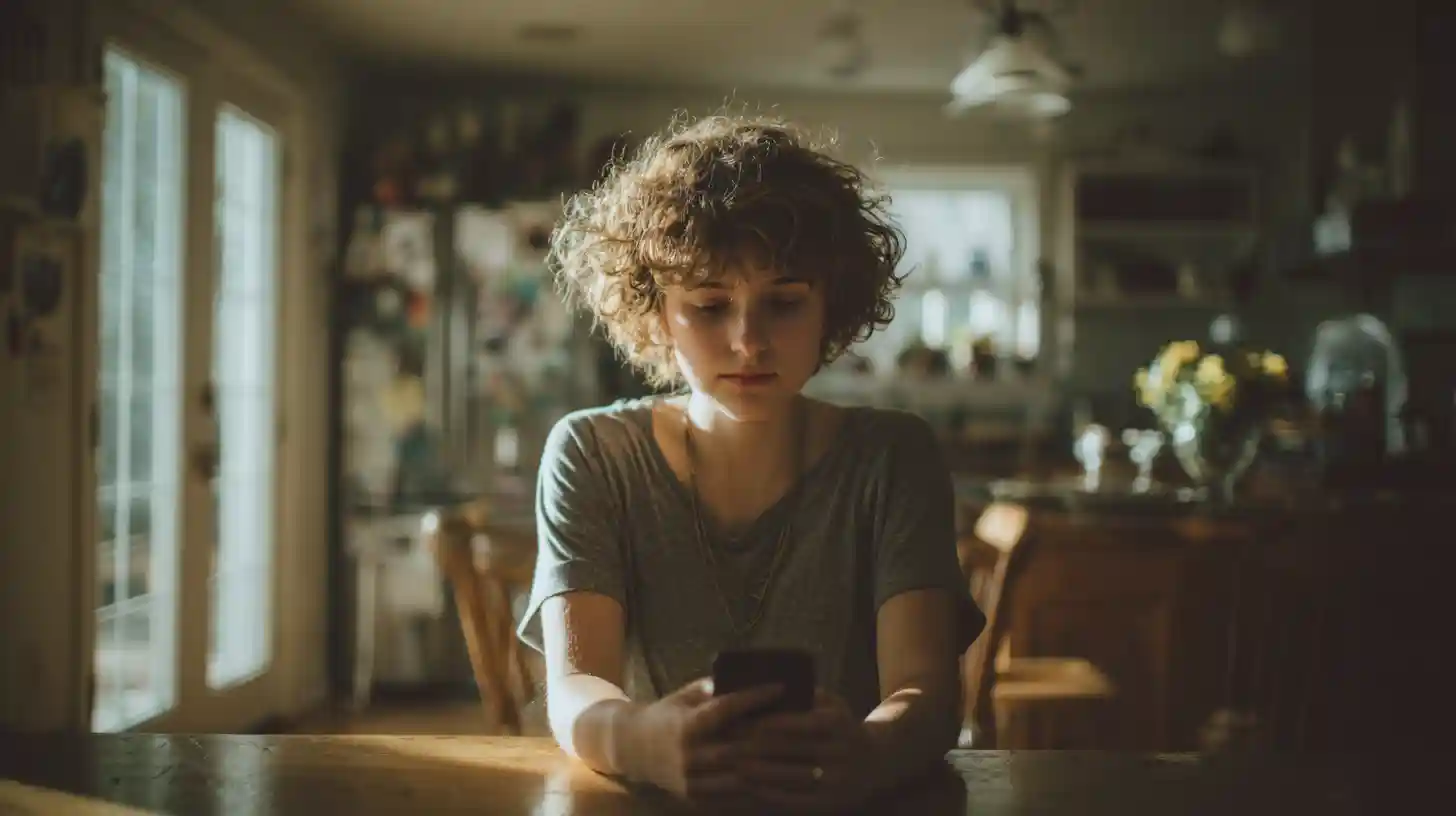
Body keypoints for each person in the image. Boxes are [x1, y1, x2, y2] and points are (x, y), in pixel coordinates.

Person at [517, 112, 984, 813]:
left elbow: (926, 694)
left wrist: (869, 753)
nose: (749, 341)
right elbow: (576, 689)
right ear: (656, 313)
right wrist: (647, 742)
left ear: (833, 303)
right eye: (708, 305)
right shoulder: (592, 454)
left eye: (785, 302)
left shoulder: (892, 457)